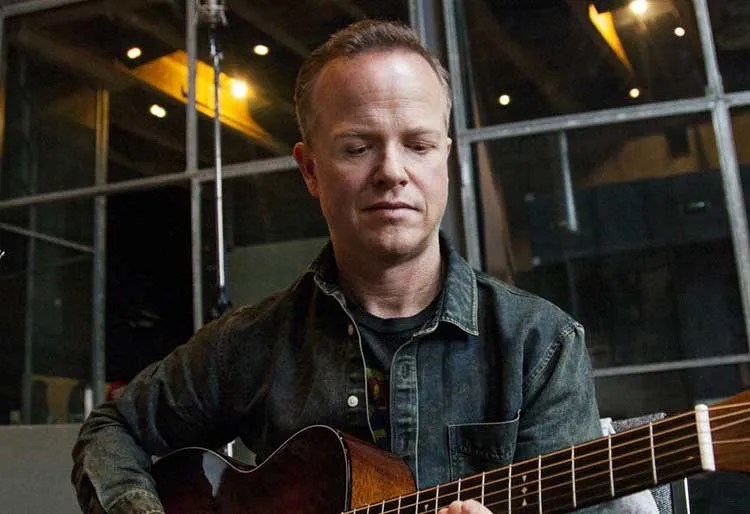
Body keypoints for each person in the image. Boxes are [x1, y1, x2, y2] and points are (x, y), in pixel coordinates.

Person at [72, 20, 644, 514]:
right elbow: (110, 430)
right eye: (357, 147)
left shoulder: (539, 345)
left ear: (445, 159)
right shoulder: (251, 344)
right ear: (310, 170)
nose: (392, 171)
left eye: (418, 145)